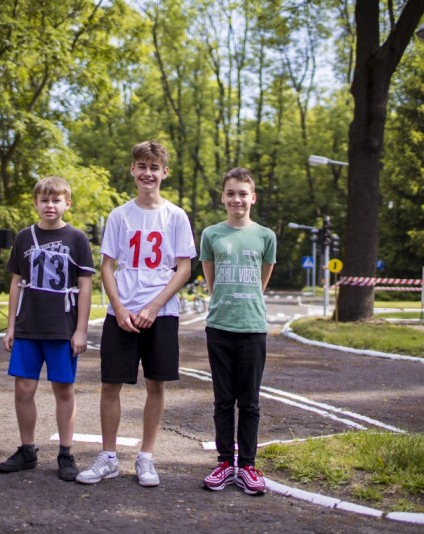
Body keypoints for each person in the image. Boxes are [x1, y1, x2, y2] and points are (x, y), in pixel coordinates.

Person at [76, 140, 196, 487]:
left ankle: (146, 457)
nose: (147, 173)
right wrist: (118, 308)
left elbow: (184, 268)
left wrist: (154, 306)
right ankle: (108, 457)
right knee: (110, 384)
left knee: (155, 384)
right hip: (123, 313)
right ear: (132, 170)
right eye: (142, 166)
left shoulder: (175, 216)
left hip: (161, 314)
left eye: (154, 167)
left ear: (164, 172)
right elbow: (107, 266)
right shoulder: (120, 215)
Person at [0, 176, 94, 481]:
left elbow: (85, 286)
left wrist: (81, 330)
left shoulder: (77, 239)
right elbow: (16, 283)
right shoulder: (24, 237)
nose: (50, 205)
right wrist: (10, 326)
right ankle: (27, 450)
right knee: (24, 389)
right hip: (28, 326)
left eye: (56, 200)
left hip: (61, 328)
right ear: (35, 203)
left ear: (68, 203)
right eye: (44, 200)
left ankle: (65, 452)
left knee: (63, 389)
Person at [199, 167, 276, 496]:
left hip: (252, 328)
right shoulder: (211, 234)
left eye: (243, 193)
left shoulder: (266, 236)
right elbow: (211, 281)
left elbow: (262, 279)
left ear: (253, 198)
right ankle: (224, 464)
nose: (237, 199)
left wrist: (247, 301)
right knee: (222, 401)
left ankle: (247, 465)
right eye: (231, 193)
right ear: (223, 197)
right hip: (219, 327)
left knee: (250, 403)